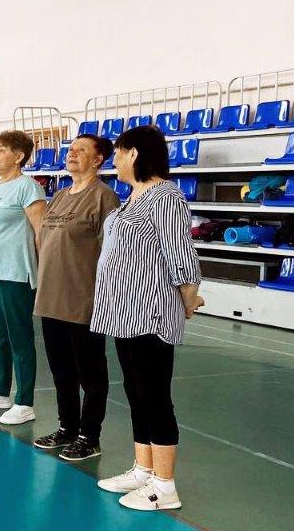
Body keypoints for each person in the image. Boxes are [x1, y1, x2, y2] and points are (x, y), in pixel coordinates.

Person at [92, 126, 203, 511]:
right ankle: (144, 470)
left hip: (150, 313)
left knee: (154, 396)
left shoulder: (166, 198)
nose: (114, 160)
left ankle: (165, 486)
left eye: (118, 152)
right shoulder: (132, 198)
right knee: (136, 393)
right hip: (123, 313)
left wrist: (188, 300)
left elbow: (181, 256)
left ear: (135, 154)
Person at [32, 134, 119, 462]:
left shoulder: (104, 197)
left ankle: (89, 436)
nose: (73, 154)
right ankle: (67, 427)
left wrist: (103, 297)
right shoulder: (59, 196)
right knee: (61, 371)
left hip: (83, 299)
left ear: (98, 160)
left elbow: (112, 252)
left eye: (82, 150)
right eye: (71, 149)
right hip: (51, 297)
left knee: (91, 374)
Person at [0, 131, 47, 425]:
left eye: (2, 150)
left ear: (19, 156)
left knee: (19, 338)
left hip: (15, 274)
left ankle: (25, 402)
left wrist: (44, 272)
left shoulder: (28, 187)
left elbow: (41, 232)